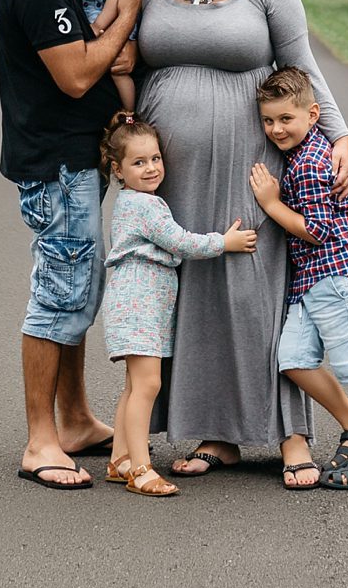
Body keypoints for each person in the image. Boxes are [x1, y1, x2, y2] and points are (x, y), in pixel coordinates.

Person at [133, 0, 348, 490]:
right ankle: (216, 434)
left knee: (255, 289)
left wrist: (339, 136)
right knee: (197, 288)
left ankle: (292, 434)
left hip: (250, 166)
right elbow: (126, 62)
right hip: (174, 172)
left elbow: (302, 66)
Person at [0, 0, 143, 491]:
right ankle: (40, 441)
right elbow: (77, 76)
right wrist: (125, 17)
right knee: (58, 293)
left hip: (75, 155)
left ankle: (76, 419)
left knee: (79, 286)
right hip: (54, 161)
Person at [248, 65, 348, 490]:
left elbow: (317, 230)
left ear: (314, 114)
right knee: (292, 360)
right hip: (309, 283)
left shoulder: (313, 162)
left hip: (335, 276)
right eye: (269, 120)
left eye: (286, 119)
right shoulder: (300, 155)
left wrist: (271, 204)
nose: (276, 129)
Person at [97, 112, 258, 497]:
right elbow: (181, 242)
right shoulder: (146, 207)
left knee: (134, 386)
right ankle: (140, 468)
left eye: (155, 158)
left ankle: (121, 460)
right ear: (118, 170)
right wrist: (225, 242)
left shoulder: (136, 202)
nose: (151, 168)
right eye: (139, 162)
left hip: (135, 307)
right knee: (147, 385)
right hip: (139, 309)